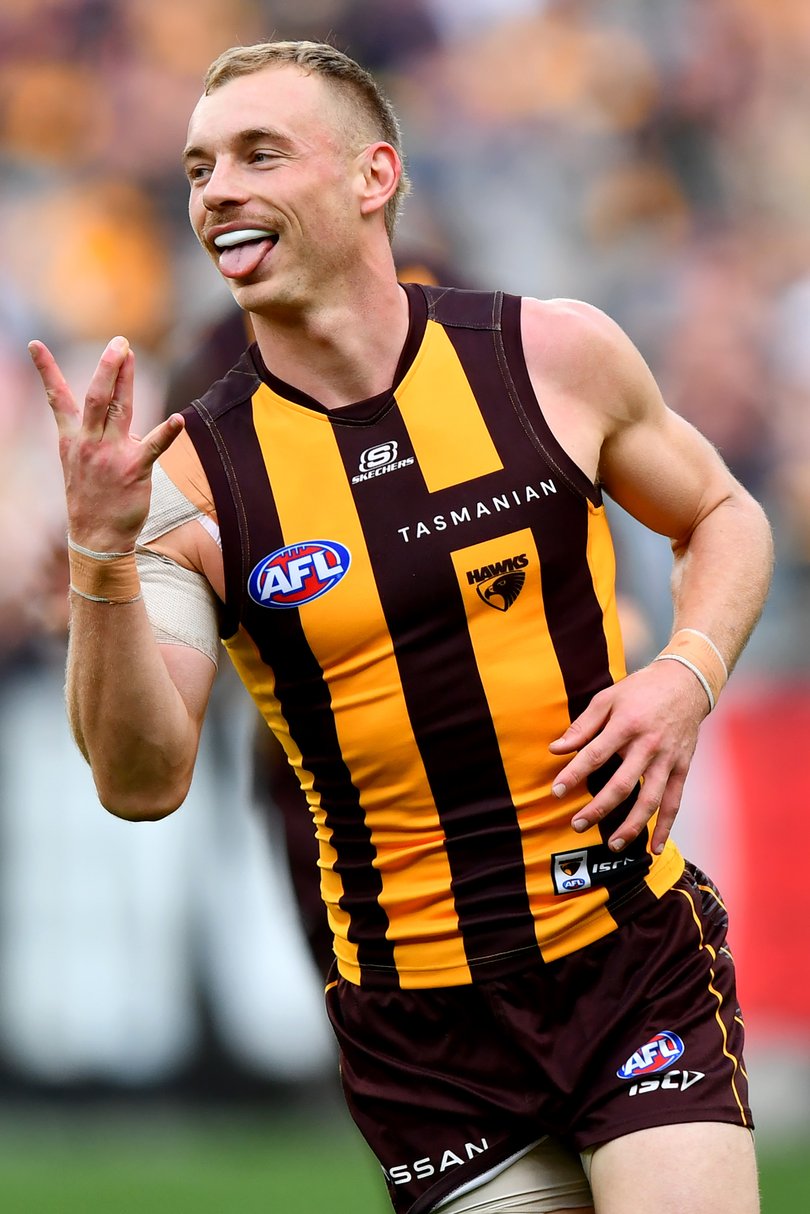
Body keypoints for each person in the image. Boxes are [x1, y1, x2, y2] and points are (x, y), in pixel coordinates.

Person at [29, 40, 772, 1214]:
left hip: (624, 953)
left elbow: (725, 512)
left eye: (258, 153)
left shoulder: (548, 354)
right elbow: (139, 776)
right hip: (425, 1027)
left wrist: (687, 670)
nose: (215, 188)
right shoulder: (194, 481)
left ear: (373, 177)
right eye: (197, 166)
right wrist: (101, 554)